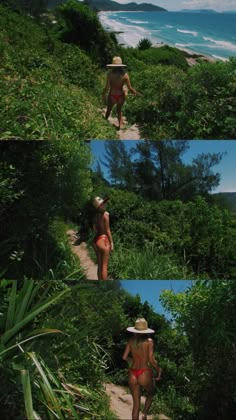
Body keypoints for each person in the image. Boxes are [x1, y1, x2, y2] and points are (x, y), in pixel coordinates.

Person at [122, 318, 162, 420]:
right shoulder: (149, 341)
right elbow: (151, 360)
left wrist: (133, 360)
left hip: (132, 373)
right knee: (150, 393)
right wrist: (159, 370)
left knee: (136, 405)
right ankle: (144, 414)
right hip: (144, 372)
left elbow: (124, 357)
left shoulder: (131, 341)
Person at [103, 56, 139, 130]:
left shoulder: (110, 74)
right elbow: (130, 88)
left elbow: (107, 87)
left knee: (109, 109)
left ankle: (104, 122)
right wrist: (134, 91)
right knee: (119, 110)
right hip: (121, 96)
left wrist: (103, 93)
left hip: (112, 95)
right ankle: (120, 126)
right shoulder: (125, 75)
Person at [92, 196, 113, 280]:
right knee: (104, 266)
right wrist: (111, 242)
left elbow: (95, 230)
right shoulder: (106, 214)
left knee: (100, 265)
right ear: (99, 206)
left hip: (95, 241)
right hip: (103, 240)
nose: (105, 204)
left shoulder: (94, 217)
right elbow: (108, 230)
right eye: (103, 203)